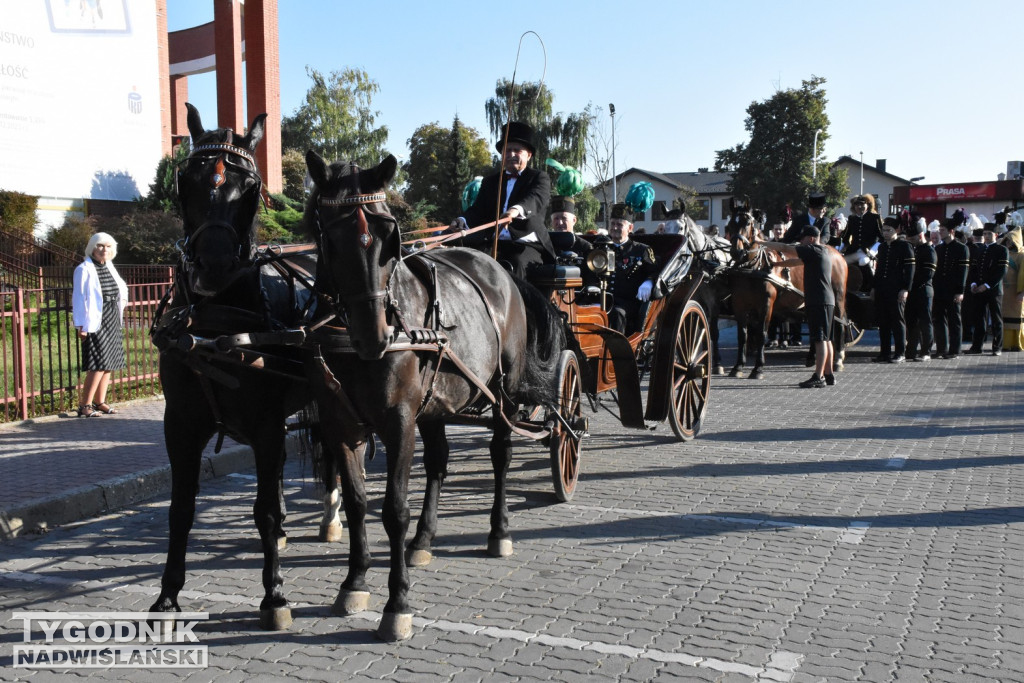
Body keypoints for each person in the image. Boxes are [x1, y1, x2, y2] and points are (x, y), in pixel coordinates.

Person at [450, 121, 554, 278]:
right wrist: (462, 219)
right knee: (468, 260)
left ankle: (521, 303)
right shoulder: (490, 182)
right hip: (493, 242)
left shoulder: (539, 178)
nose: (511, 154)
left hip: (525, 244)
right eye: (507, 150)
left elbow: (535, 198)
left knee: (516, 264)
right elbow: (477, 211)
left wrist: (515, 210)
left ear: (529, 155)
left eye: (517, 150)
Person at [761, 226, 837, 387]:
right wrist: (777, 263)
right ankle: (829, 374)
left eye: (802, 239)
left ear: (810, 238)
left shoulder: (813, 249)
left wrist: (761, 243)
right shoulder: (821, 252)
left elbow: (784, 247)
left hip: (818, 300)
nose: (800, 241)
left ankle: (819, 376)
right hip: (827, 300)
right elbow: (796, 262)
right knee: (827, 339)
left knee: (819, 339)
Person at [72, 232, 128, 417]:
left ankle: (100, 402)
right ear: (92, 248)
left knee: (109, 362)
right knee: (97, 363)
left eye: (108, 246)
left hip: (112, 317)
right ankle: (85, 405)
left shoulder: (109, 267)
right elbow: (79, 298)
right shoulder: (84, 269)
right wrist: (80, 325)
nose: (104, 250)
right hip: (95, 319)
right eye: (100, 246)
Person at [605, 203, 658, 334]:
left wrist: (649, 282)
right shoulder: (601, 247)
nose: (615, 227)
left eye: (619, 224)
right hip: (601, 300)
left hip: (628, 303)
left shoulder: (641, 250)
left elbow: (654, 270)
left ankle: (617, 353)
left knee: (617, 313)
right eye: (612, 224)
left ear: (630, 228)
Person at [873, 216, 915, 363]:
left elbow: (910, 270)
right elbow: (879, 270)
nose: (885, 233)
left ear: (896, 230)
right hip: (882, 289)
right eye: (883, 230)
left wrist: (905, 288)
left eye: (888, 230)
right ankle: (884, 352)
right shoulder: (882, 247)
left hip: (897, 289)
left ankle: (900, 353)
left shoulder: (905, 246)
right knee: (883, 322)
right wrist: (874, 287)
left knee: (897, 321)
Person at [966, 224, 1010, 356]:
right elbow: (973, 269)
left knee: (996, 318)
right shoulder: (979, 250)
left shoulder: (1002, 250)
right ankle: (977, 346)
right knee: (979, 318)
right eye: (985, 234)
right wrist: (973, 284)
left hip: (993, 290)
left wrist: (987, 285)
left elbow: (1001, 271)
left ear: (996, 235)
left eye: (989, 234)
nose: (986, 236)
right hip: (978, 290)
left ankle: (997, 347)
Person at [932, 218, 971, 359]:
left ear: (951, 231)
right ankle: (942, 348)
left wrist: (960, 291)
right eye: (940, 230)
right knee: (939, 320)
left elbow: (963, 272)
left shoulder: (962, 248)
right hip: (939, 289)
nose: (940, 233)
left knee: (955, 320)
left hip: (953, 290)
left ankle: (955, 350)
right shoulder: (938, 248)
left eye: (942, 230)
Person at [905, 219, 937, 361]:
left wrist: (909, 284)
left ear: (920, 236)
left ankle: (926, 352)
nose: (910, 242)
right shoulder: (912, 250)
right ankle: (911, 351)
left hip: (924, 291)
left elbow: (927, 274)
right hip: (912, 292)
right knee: (911, 323)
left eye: (912, 239)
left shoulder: (929, 251)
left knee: (925, 322)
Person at [841, 194, 883, 292]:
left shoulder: (875, 217)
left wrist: (872, 252)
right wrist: (839, 250)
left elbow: (882, 238)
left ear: (867, 205)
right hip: (853, 250)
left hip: (868, 251)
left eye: (862, 204)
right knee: (840, 263)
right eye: (857, 205)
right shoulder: (852, 219)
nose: (859, 207)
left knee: (864, 262)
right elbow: (845, 237)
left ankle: (872, 288)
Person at [998, 216, 1024, 351]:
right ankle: (1005, 343)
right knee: (1004, 316)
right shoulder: (1003, 253)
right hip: (1003, 290)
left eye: (1011, 241)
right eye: (1006, 241)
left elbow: (1023, 275)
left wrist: (1022, 292)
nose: (1008, 244)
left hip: (1015, 291)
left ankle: (1016, 343)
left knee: (1016, 316)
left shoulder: (1021, 256)